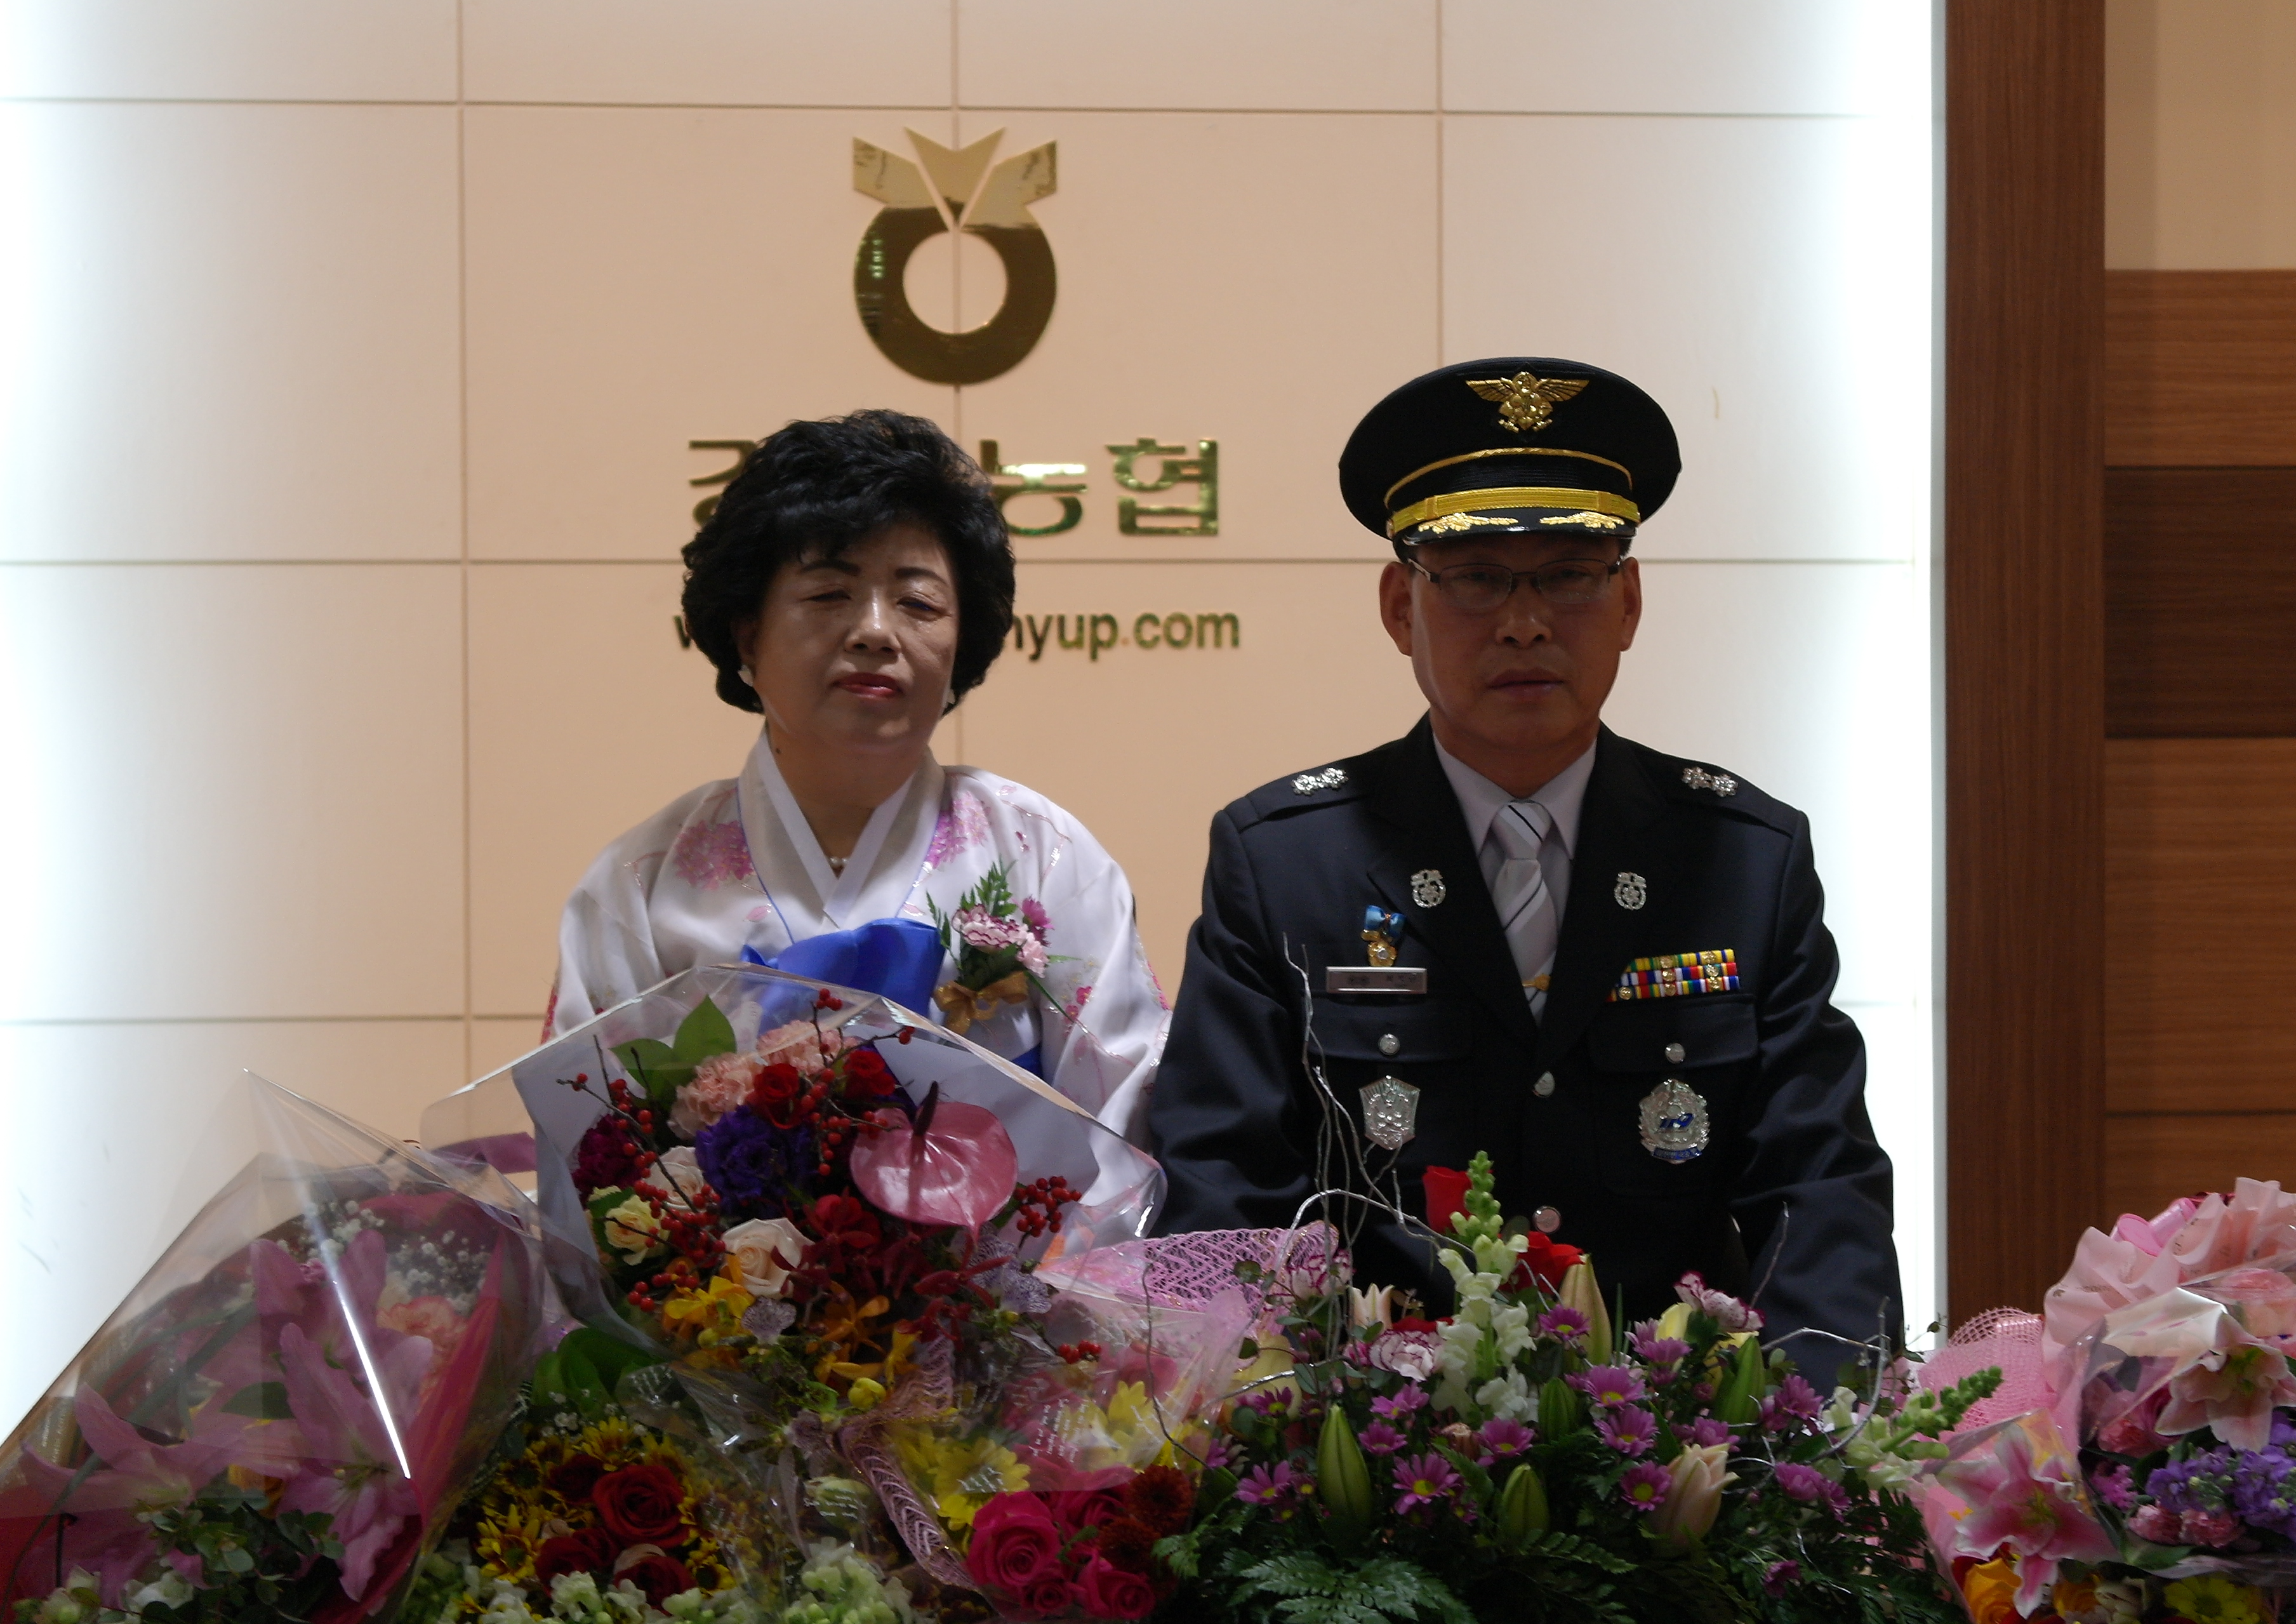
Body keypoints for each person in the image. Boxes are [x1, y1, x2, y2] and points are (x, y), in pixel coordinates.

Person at [1145, 358, 1900, 1370]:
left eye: (1571, 575)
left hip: (1681, 1432)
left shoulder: (1741, 860)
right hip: (1374, 1433)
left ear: (1629, 601)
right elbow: (1227, 1192)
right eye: (1474, 577)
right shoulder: (1284, 865)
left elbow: (1817, 1188)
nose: (1525, 621)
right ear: (1400, 607)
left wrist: (1823, 1430)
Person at [547, 410, 1168, 1139]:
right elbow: (589, 1143)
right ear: (748, 633)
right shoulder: (642, 882)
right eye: (828, 595)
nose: (876, 630)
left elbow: (1125, 1122)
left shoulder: (1044, 857)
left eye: (918, 603)